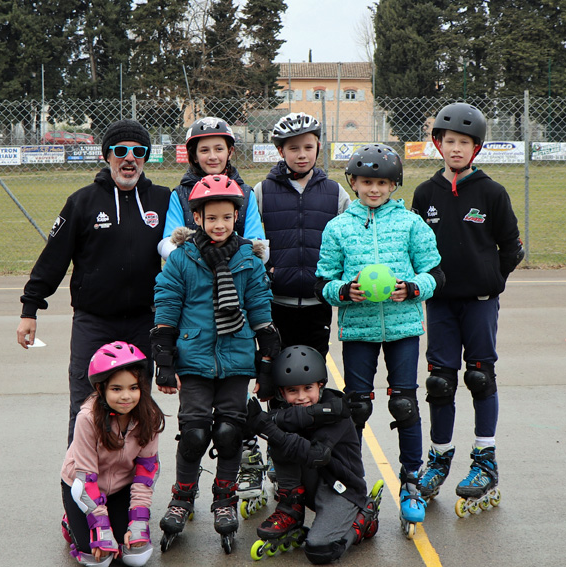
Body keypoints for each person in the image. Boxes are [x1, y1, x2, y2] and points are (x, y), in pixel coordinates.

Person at [315, 143, 445, 538]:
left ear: (394, 185)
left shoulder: (409, 223)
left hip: (403, 327)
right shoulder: (339, 227)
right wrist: (343, 292)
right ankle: (352, 482)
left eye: (383, 183)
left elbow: (435, 273)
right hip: (359, 330)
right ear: (353, 182)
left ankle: (410, 481)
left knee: (404, 403)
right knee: (356, 407)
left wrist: (412, 288)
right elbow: (324, 280)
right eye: (367, 182)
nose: (374, 190)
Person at [17, 119, 171, 445]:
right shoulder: (82, 202)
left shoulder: (163, 200)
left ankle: (129, 488)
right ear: (107, 156)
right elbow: (53, 259)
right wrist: (30, 308)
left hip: (145, 321)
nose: (129, 159)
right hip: (94, 322)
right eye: (120, 151)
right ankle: (79, 483)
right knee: (86, 406)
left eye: (138, 151)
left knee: (138, 406)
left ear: (146, 157)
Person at [151, 174, 279, 555]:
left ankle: (223, 499)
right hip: (193, 359)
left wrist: (267, 355)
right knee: (193, 433)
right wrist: (164, 356)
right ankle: (182, 496)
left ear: (236, 217)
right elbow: (168, 303)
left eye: (227, 217)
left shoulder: (247, 258)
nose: (219, 225)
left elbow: (259, 304)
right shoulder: (183, 258)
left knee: (228, 431)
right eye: (211, 219)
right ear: (197, 220)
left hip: (236, 359)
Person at [410, 103, 524, 517]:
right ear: (438, 144)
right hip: (439, 302)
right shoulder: (425, 194)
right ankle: (438, 460)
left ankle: (485, 461)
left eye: (464, 143)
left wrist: (491, 281)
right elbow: (415, 249)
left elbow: (512, 247)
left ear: (476, 148)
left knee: (479, 376)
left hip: (479, 303)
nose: (455, 149)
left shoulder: (492, 192)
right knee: (439, 382)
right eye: (449, 141)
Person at [237, 112, 352, 516]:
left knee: (309, 384)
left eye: (308, 146)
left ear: (318, 147)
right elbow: (251, 241)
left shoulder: (336, 193)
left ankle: (312, 460)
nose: (301, 154)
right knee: (275, 385)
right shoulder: (262, 192)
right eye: (292, 148)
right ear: (279, 151)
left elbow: (348, 243)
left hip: (318, 304)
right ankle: (281, 461)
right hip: (276, 305)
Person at [245, 345, 384, 564]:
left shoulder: (337, 412)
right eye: (293, 391)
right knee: (281, 436)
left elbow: (317, 455)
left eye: (308, 388)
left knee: (320, 550)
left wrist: (268, 428)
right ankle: (291, 507)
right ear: (282, 392)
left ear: (321, 385)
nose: (302, 397)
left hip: (342, 489)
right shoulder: (286, 413)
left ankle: (364, 516)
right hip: (310, 485)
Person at [60, 341, 165, 567]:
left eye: (133, 387)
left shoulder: (150, 416)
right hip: (82, 486)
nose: (126, 396)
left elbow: (145, 474)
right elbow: (86, 479)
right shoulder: (87, 418)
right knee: (99, 561)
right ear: (101, 389)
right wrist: (100, 526)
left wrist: (138, 522)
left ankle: (116, 521)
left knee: (136, 557)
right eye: (116, 389)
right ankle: (71, 520)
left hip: (121, 486)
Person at [157, 116, 267, 263]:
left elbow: (257, 245)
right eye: (204, 150)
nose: (213, 156)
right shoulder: (180, 194)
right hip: (193, 271)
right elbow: (170, 243)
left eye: (219, 149)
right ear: (194, 156)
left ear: (230, 152)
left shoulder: (246, 193)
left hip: (235, 272)